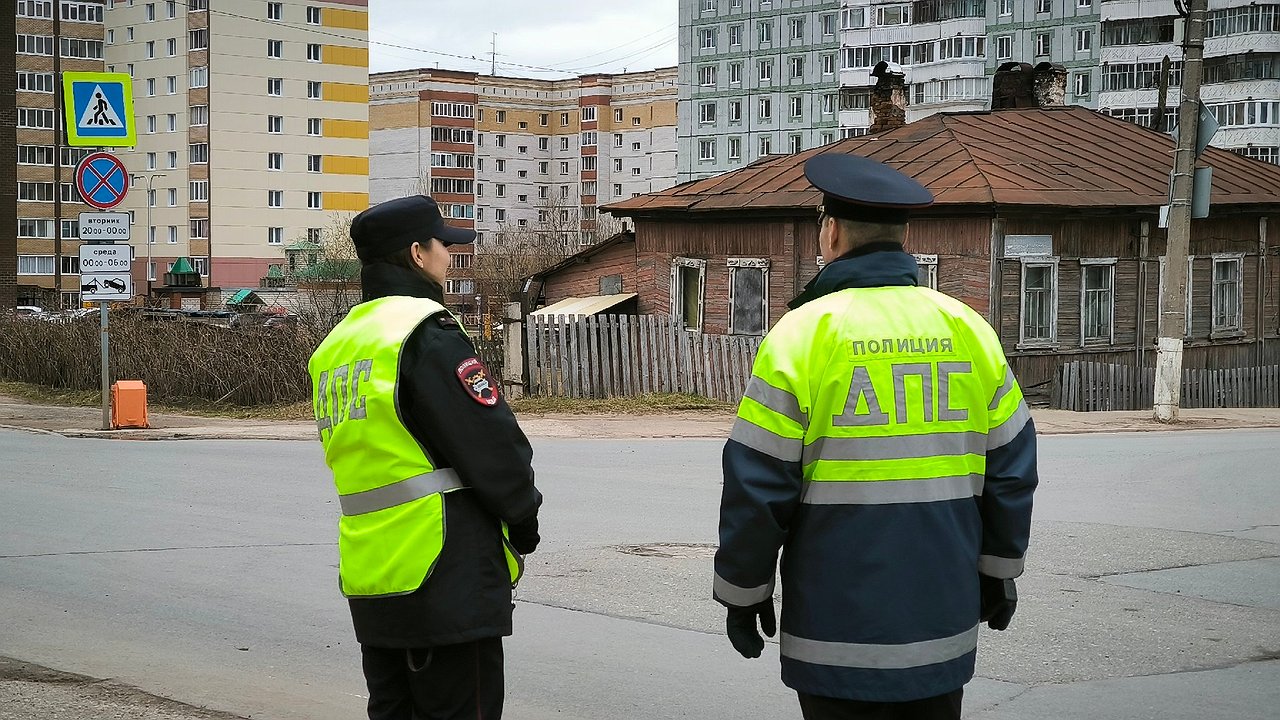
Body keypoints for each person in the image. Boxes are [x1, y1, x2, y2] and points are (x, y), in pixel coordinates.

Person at [713, 154, 1038, 719]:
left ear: (832, 231)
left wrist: (744, 592)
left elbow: (757, 487)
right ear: (901, 238)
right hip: (942, 623)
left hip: (836, 635)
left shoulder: (802, 335)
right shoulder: (967, 329)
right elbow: (1012, 470)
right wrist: (998, 571)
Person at [308, 194, 542, 720]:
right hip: (444, 576)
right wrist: (524, 520)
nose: (449, 257)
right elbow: (493, 445)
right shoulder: (423, 332)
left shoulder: (337, 346)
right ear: (417, 254)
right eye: (443, 246)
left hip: (374, 580)